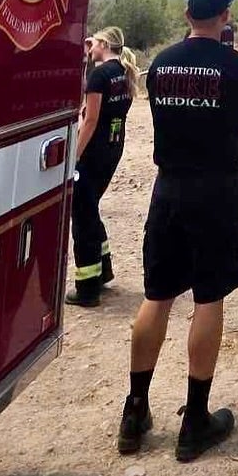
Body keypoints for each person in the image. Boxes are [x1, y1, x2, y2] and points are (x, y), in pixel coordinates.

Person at [117, 0, 238, 462]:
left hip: (168, 191)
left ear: (186, 15)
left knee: (157, 295)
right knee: (208, 297)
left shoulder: (161, 64)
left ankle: (134, 411)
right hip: (216, 192)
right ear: (226, 16)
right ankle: (195, 421)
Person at [68, 25, 140, 307]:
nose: (92, 47)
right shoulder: (122, 71)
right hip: (113, 146)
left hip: (93, 151)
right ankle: (103, 269)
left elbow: (90, 120)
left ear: (105, 45)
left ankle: (87, 289)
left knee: (82, 215)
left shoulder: (99, 76)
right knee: (91, 206)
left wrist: (75, 156)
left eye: (95, 42)